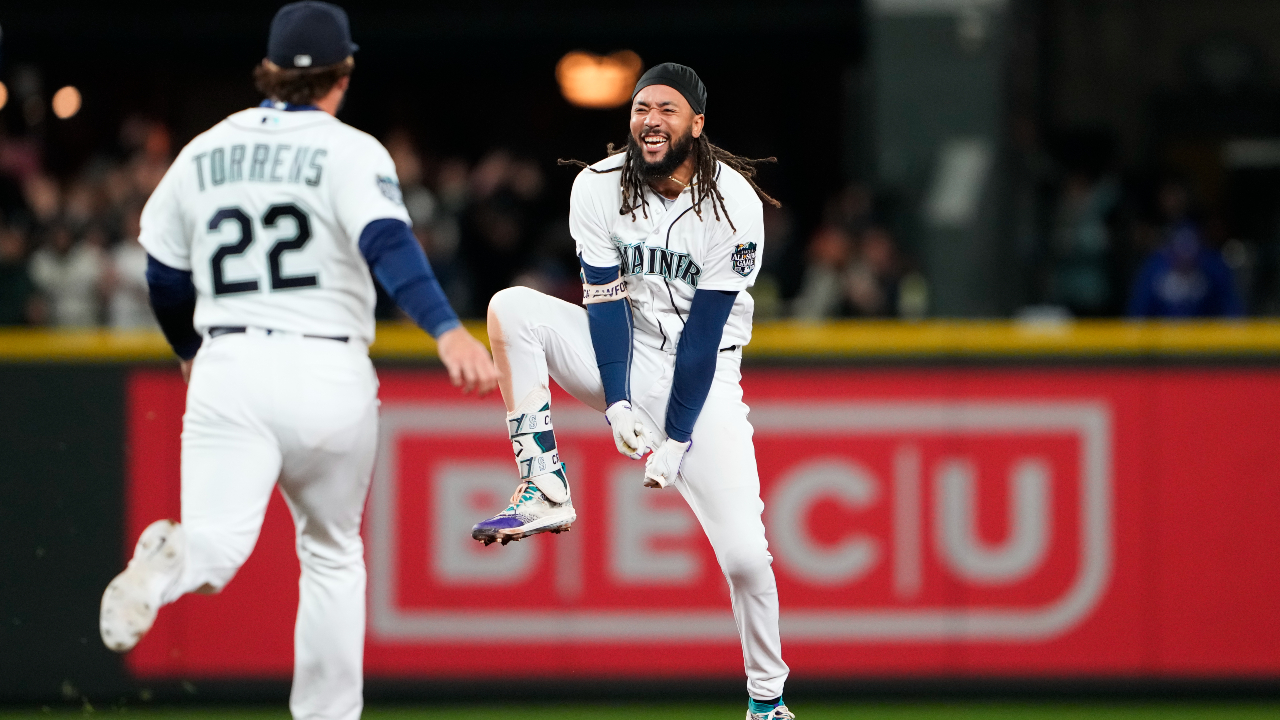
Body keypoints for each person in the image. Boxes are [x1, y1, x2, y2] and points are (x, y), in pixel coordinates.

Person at [96, 5, 497, 720]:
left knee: (215, 552)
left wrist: (188, 349)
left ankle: (165, 569)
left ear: (270, 72)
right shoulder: (351, 150)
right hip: (327, 369)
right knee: (333, 555)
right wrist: (445, 331)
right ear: (342, 75)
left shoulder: (203, 151)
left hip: (229, 364)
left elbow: (163, 272)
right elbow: (388, 245)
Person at [472, 63, 794, 720]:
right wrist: (616, 401)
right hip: (622, 347)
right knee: (512, 307)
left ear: (697, 125)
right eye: (641, 106)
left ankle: (767, 703)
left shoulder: (733, 202)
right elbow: (605, 302)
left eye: (668, 109)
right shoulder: (597, 186)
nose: (651, 118)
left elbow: (703, 339)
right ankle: (544, 485)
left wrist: (676, 442)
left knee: (745, 560)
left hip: (703, 378)